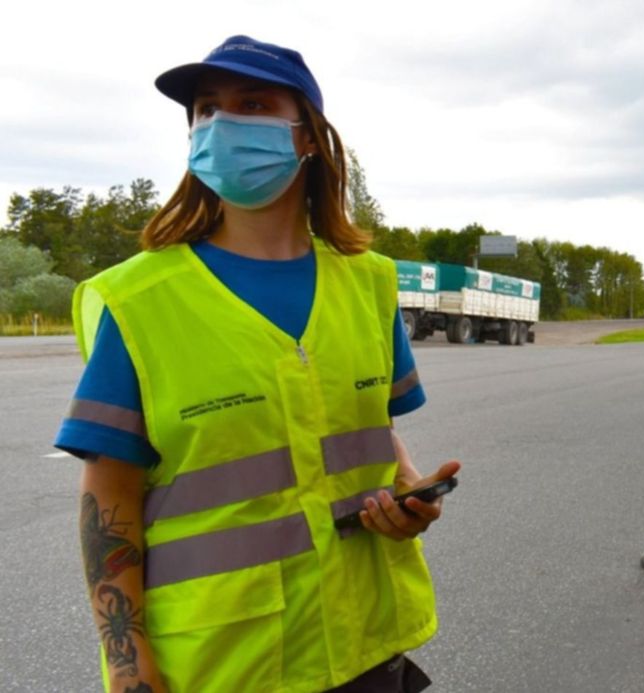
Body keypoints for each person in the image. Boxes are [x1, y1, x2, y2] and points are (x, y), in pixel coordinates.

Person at [53, 36, 457, 693]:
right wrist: (129, 670)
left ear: (307, 138)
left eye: (251, 103)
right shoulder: (138, 301)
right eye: (205, 109)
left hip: (366, 648)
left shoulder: (370, 283)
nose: (220, 123)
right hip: (224, 667)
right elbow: (110, 496)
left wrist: (408, 492)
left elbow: (367, 428)